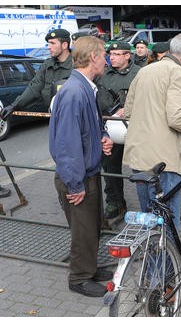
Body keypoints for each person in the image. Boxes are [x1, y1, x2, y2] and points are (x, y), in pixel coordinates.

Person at [123, 32, 181, 232]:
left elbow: (128, 111)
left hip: (140, 155)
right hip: (165, 161)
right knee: (167, 223)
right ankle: (166, 264)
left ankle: (148, 261)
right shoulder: (179, 74)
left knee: (148, 219)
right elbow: (178, 118)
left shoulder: (145, 70)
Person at [49, 36, 114, 297]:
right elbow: (66, 145)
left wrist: (102, 137)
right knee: (83, 230)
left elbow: (86, 130)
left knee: (91, 227)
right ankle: (79, 277)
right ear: (93, 58)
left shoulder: (84, 88)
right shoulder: (75, 92)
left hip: (86, 173)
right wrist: (75, 184)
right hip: (78, 177)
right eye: (104, 55)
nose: (107, 60)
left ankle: (89, 267)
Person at [95, 41, 141, 227]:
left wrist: (127, 108)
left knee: (142, 167)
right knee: (110, 167)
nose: (111, 57)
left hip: (136, 128)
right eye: (110, 54)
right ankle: (115, 202)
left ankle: (150, 203)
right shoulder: (104, 74)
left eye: (116, 54)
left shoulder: (140, 73)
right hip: (112, 128)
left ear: (127, 55)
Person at [0, 28, 73, 120]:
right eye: (48, 43)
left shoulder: (78, 65)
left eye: (53, 43)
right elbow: (34, 88)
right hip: (55, 117)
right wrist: (14, 106)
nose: (48, 47)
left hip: (74, 117)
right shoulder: (47, 65)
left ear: (64, 45)